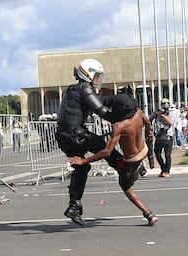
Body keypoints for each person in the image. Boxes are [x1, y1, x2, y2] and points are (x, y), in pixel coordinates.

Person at [68, 94, 158, 226]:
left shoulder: (119, 126)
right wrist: (149, 134)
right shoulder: (138, 113)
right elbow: (148, 123)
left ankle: (148, 213)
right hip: (143, 151)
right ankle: (138, 170)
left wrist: (84, 161)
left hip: (131, 159)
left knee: (125, 186)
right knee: (121, 164)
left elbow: (106, 152)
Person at [55, 59, 126, 226]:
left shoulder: (71, 89)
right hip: (75, 134)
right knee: (104, 147)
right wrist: (121, 119)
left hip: (63, 135)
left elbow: (98, 100)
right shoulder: (84, 87)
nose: (98, 80)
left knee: (81, 167)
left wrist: (114, 99)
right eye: (96, 76)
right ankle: (126, 168)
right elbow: (100, 109)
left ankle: (74, 206)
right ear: (87, 74)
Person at [149, 98, 177, 178]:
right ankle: (163, 168)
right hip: (159, 136)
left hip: (168, 135)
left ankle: (167, 171)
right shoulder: (157, 112)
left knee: (167, 155)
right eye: (163, 104)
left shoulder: (171, 112)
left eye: (166, 104)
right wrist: (150, 127)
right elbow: (149, 118)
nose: (165, 106)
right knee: (157, 153)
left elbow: (171, 122)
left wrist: (163, 115)